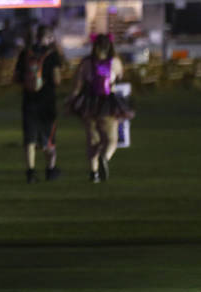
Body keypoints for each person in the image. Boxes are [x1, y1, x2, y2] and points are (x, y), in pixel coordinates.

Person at [67, 34, 135, 182]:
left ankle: (94, 173)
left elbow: (77, 87)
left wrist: (71, 101)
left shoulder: (86, 63)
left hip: (89, 103)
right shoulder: (115, 62)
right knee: (111, 139)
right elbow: (119, 78)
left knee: (92, 140)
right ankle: (104, 158)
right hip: (108, 103)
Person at [12, 25, 64, 183]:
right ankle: (50, 170)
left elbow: (15, 78)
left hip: (29, 101)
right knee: (49, 139)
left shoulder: (25, 53)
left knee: (29, 139)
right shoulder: (52, 55)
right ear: (49, 38)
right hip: (47, 101)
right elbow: (56, 79)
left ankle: (30, 172)